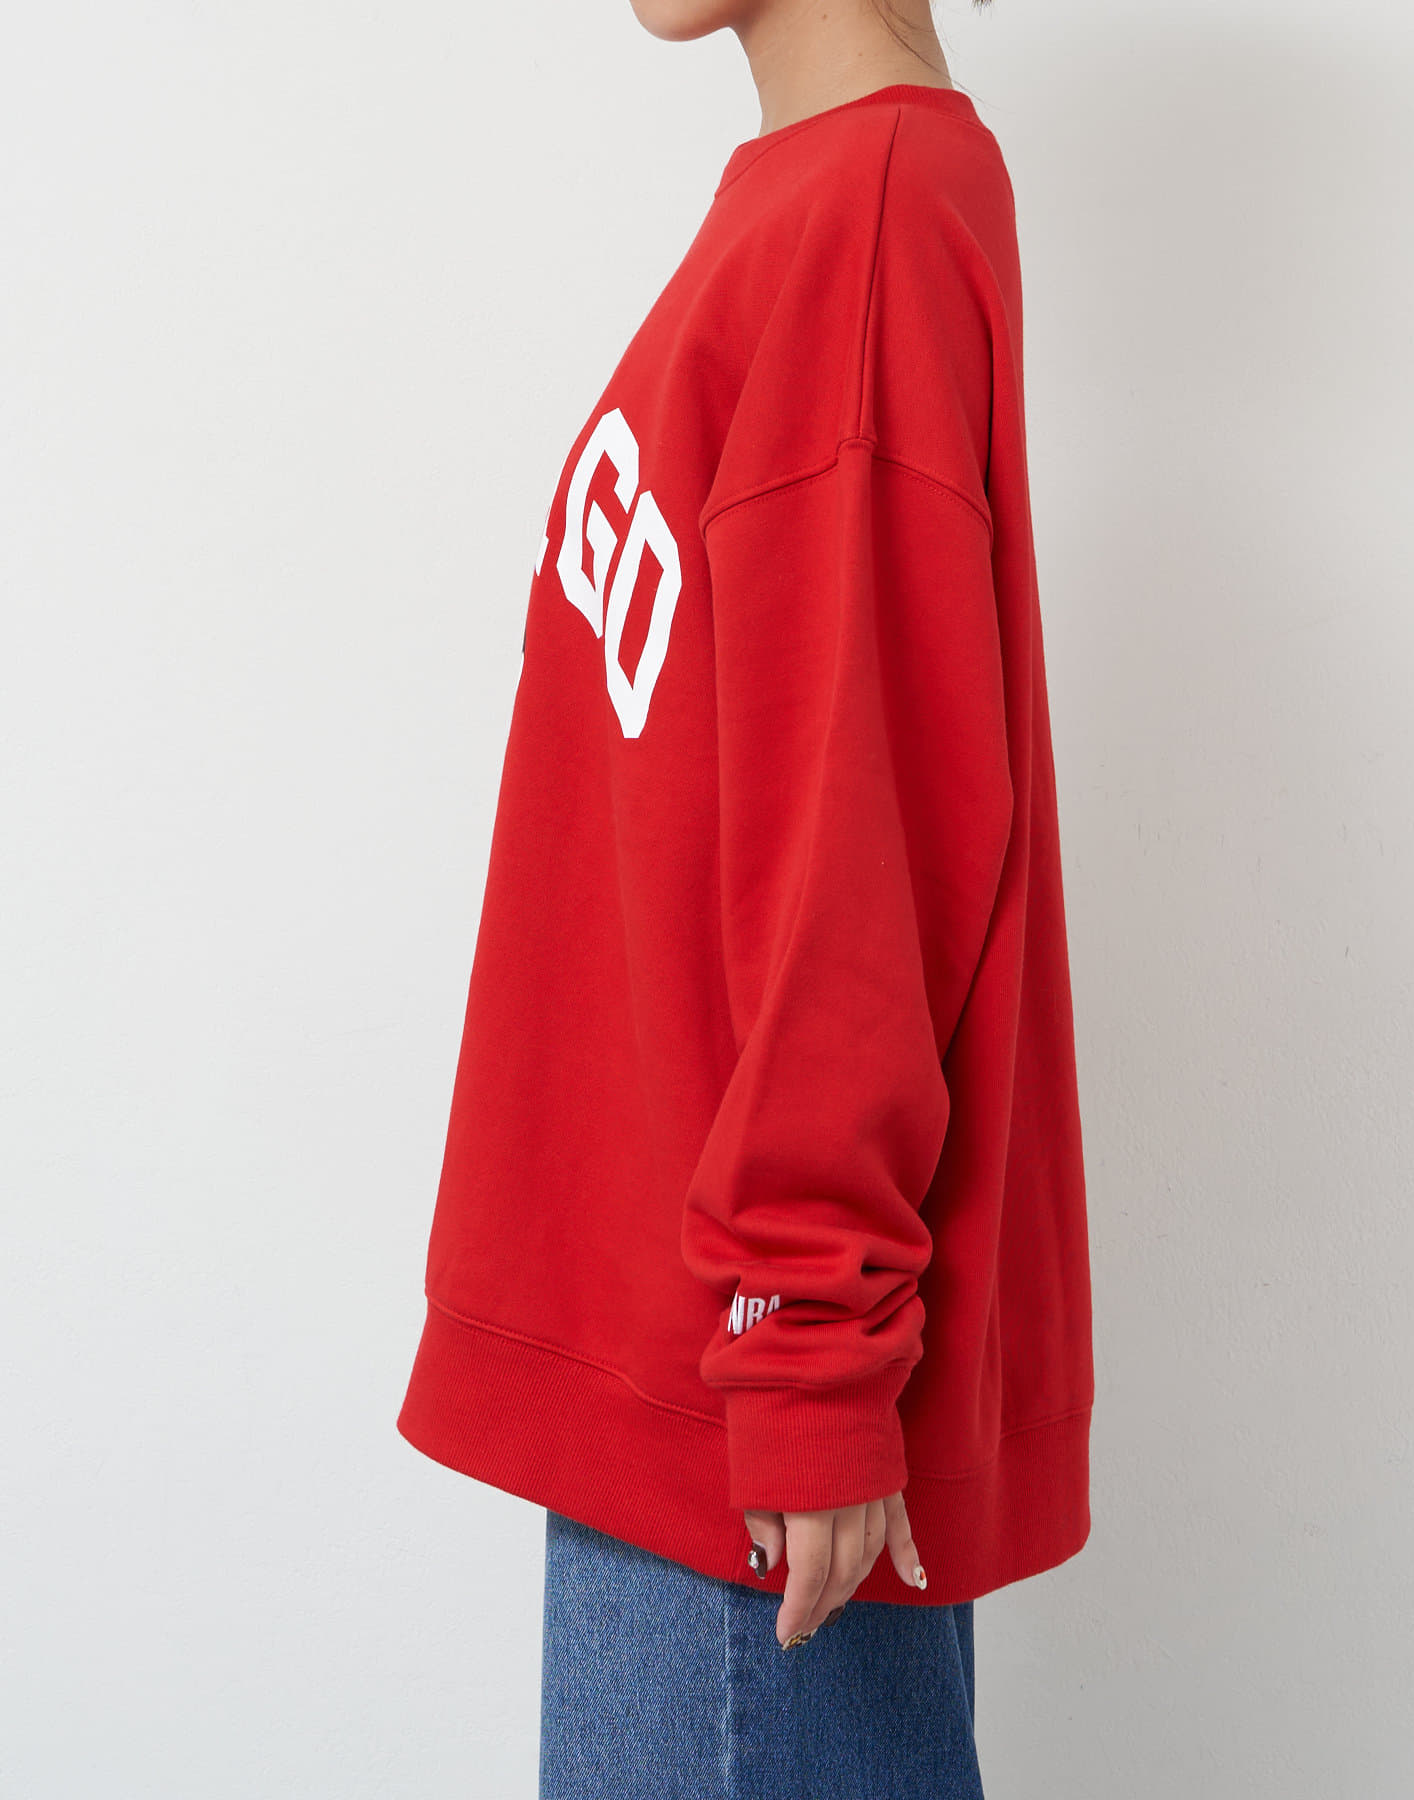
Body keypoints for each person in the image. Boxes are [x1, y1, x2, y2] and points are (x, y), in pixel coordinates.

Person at [396, 0, 1095, 1792]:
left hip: (735, 1419)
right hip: (686, 1371)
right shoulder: (811, 203)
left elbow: (858, 823)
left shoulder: (870, 211)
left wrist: (805, 1344)